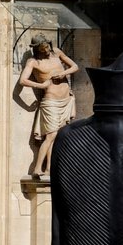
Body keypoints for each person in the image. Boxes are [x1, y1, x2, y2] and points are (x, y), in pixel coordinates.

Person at [19, 33, 79, 176]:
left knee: (59, 136)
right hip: (50, 101)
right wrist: (42, 85)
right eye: (42, 48)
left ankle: (49, 169)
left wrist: (64, 73)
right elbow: (22, 80)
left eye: (46, 47)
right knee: (51, 135)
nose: (46, 50)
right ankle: (37, 168)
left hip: (66, 100)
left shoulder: (56, 52)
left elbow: (75, 66)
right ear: (37, 49)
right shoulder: (33, 62)